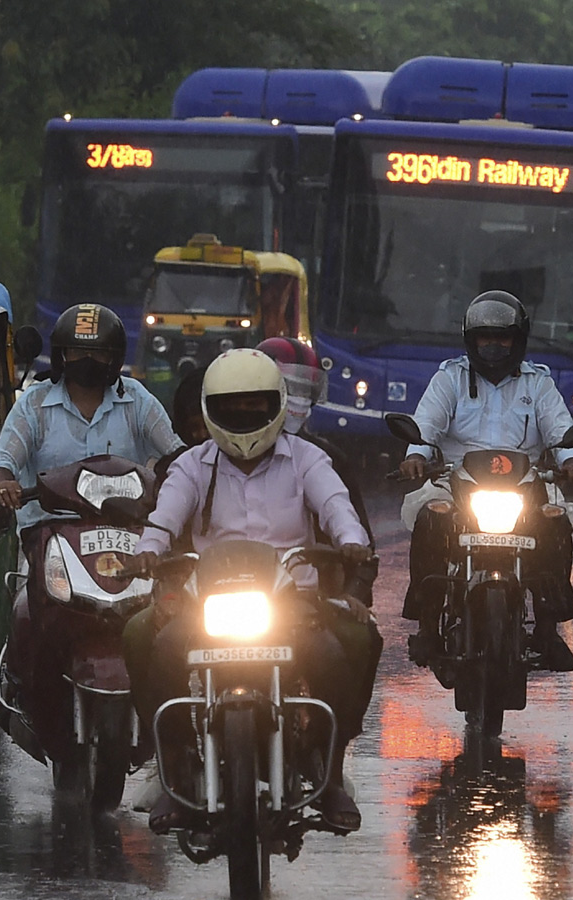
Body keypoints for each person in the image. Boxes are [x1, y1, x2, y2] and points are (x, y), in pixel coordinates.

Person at [122, 348, 373, 834]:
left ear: (276, 404)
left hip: (292, 603)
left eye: (252, 406)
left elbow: (337, 505)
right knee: (138, 634)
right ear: (210, 409)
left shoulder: (308, 459)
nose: (241, 417)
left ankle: (331, 765)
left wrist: (352, 543)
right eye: (230, 407)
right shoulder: (192, 465)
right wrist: (149, 549)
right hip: (206, 603)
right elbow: (166, 514)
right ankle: (173, 762)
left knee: (358, 640)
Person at [398, 290, 573, 672]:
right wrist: (416, 456)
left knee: (559, 518)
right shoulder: (449, 378)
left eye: (502, 337)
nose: (493, 345)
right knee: (428, 517)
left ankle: (548, 629)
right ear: (471, 339)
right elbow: (426, 423)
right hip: (456, 479)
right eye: (484, 337)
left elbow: (559, 428)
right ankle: (427, 625)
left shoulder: (538, 384)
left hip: (525, 482)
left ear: (518, 340)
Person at [256, 336, 382, 747]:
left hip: (308, 601)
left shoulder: (327, 461)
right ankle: (175, 754)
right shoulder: (202, 459)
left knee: (361, 641)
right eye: (285, 386)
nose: (295, 400)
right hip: (222, 599)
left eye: (303, 389)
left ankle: (334, 754)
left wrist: (353, 592)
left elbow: (358, 536)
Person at [0, 303, 183, 528]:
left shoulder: (137, 399)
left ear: (114, 358)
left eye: (98, 353)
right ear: (62, 355)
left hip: (123, 534)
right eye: (78, 352)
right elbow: (4, 463)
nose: (88, 360)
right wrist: (5, 483)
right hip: (47, 534)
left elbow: (177, 454)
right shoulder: (35, 402)